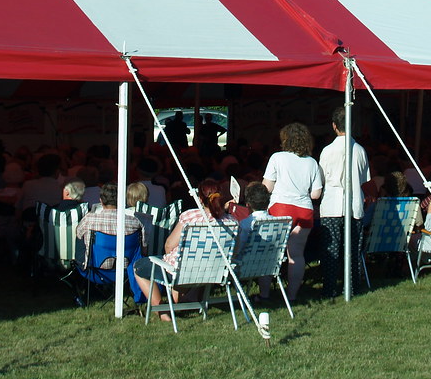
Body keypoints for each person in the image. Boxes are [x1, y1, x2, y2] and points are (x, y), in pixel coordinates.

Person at [132, 179, 237, 318]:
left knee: (139, 267)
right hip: (213, 270)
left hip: (185, 270)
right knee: (191, 265)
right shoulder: (231, 221)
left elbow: (169, 245)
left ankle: (162, 310)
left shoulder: (190, 216)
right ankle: (182, 300)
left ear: (199, 198)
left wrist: (169, 259)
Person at [263, 123, 324, 301]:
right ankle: (292, 296)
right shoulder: (312, 162)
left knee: (270, 253)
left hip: (280, 208)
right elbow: (316, 194)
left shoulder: (277, 157)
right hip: (304, 210)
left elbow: (267, 187)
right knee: (296, 254)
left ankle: (264, 295)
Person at [318, 107, 370, 298]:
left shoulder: (327, 151)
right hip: (353, 203)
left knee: (331, 250)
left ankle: (330, 288)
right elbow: (365, 179)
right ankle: (353, 286)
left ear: (334, 126)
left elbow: (321, 178)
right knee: (353, 250)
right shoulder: (360, 150)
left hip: (332, 204)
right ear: (353, 125)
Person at [74, 183, 144, 269]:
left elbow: (78, 233)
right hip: (125, 270)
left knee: (81, 239)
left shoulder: (89, 219)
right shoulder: (135, 222)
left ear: (101, 201)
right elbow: (143, 245)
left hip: (96, 270)